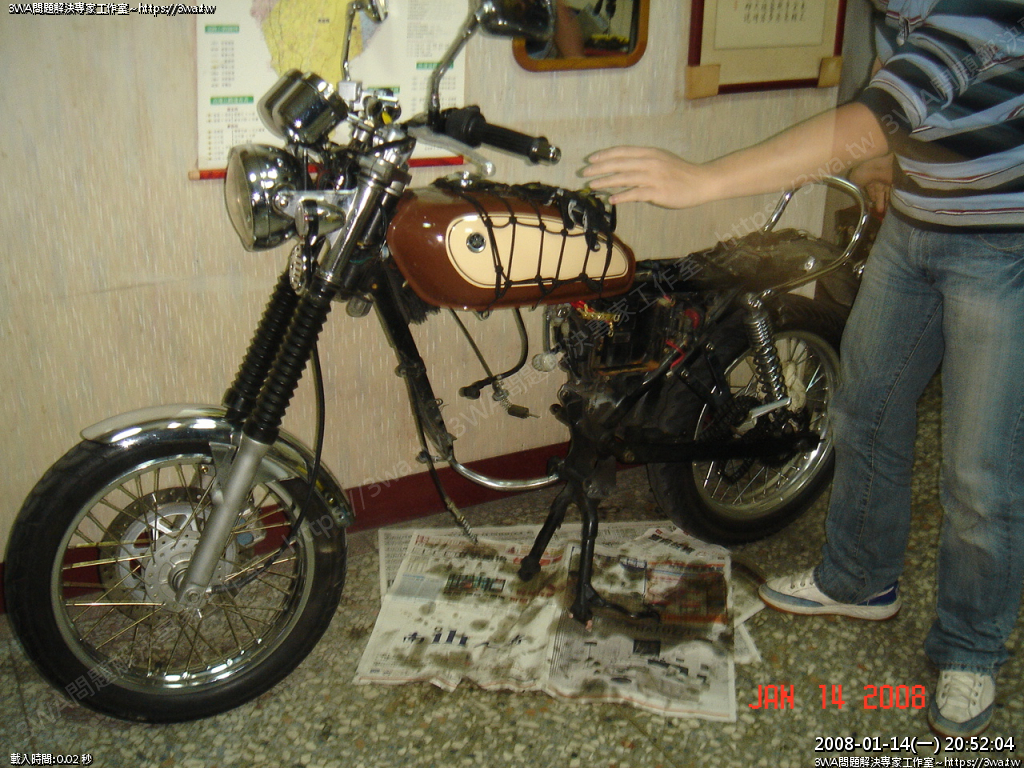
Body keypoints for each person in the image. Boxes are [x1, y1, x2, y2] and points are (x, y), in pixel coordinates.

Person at [583, 0, 1024, 738]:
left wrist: (701, 180)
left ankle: (971, 646)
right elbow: (895, 77)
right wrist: (885, 161)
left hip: (1003, 244)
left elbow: (879, 112)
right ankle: (858, 580)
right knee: (864, 410)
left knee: (981, 472)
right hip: (914, 228)